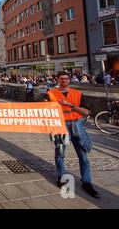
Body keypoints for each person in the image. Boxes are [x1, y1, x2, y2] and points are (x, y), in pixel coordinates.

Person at [45, 71, 99, 199]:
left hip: (76, 126)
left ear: (69, 80)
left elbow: (86, 112)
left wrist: (71, 105)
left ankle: (86, 182)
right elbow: (43, 108)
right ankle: (61, 176)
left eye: (66, 78)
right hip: (61, 126)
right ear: (57, 80)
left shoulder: (77, 94)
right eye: (61, 78)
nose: (64, 80)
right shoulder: (51, 93)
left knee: (83, 155)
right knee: (60, 153)